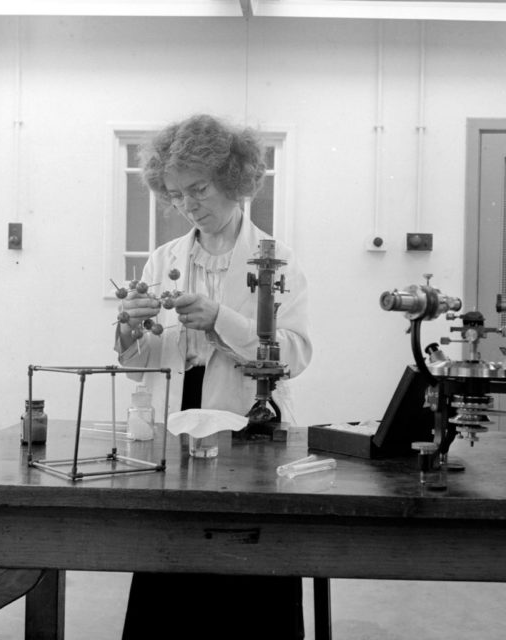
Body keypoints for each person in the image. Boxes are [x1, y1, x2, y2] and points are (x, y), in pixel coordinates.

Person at [114, 114, 312, 639]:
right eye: (176, 195)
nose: (187, 205)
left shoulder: (279, 259)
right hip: (180, 419)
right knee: (171, 572)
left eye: (197, 189)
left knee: (250, 573)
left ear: (234, 177)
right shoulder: (165, 259)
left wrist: (220, 318)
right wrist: (130, 329)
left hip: (251, 427)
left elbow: (294, 353)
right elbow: (143, 361)